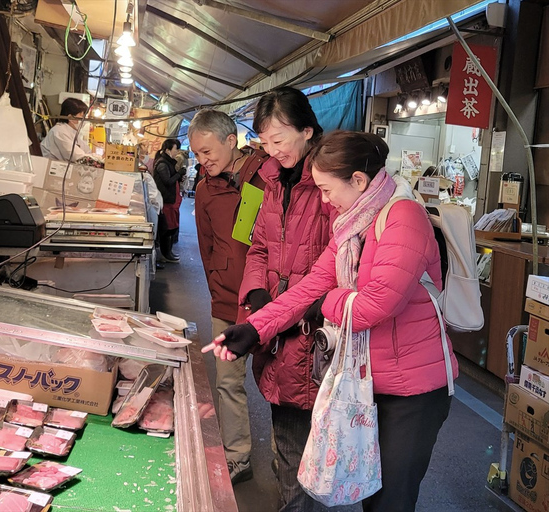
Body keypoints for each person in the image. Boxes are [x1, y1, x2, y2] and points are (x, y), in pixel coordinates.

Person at [204, 130, 458, 512]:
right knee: (363, 489)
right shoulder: (353, 221)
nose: (324, 200)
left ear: (358, 180)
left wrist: (325, 301)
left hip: (413, 390)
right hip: (367, 380)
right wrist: (255, 328)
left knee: (390, 500)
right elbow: (311, 286)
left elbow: (372, 306)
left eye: (326, 189)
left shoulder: (403, 217)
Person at [241, 87, 336, 509]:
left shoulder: (330, 183)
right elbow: (258, 245)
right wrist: (256, 290)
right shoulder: (271, 181)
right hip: (276, 329)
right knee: (285, 437)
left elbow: (343, 261)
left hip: (313, 332)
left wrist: (306, 305)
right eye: (264, 141)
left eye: (278, 140)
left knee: (301, 448)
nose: (270, 150)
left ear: (307, 131)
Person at [188, 109, 269, 484]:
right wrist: (219, 289)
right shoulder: (205, 189)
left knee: (287, 385)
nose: (203, 161)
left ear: (231, 141)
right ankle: (238, 457)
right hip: (226, 302)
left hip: (271, 302)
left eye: (208, 152)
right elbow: (206, 249)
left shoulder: (268, 175)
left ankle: (296, 463)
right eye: (197, 154)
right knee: (227, 381)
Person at [152, 138, 185, 263]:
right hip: (165, 201)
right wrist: (179, 174)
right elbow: (167, 181)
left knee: (171, 227)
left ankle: (168, 253)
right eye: (176, 149)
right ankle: (166, 254)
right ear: (168, 150)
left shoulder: (168, 162)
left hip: (171, 200)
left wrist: (179, 176)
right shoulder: (162, 164)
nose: (177, 152)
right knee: (167, 228)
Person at [138, 145, 165, 270]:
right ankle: (149, 265)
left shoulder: (144, 169)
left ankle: (151, 264)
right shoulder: (139, 169)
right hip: (149, 207)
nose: (146, 156)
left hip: (153, 206)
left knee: (153, 238)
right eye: (144, 153)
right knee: (150, 238)